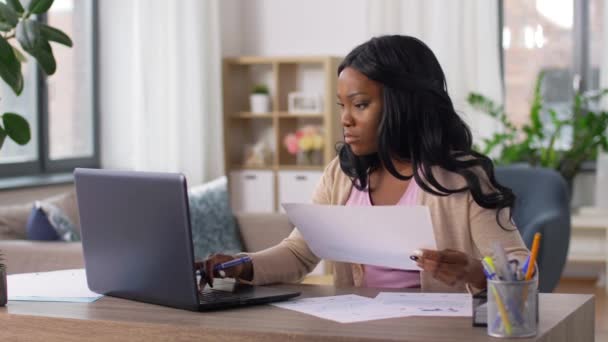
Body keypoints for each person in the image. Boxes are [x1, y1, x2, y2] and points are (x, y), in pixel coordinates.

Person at [198, 35, 530, 292]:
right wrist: (242, 265)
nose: (345, 120)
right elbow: (300, 252)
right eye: (342, 105)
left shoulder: (461, 178)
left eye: (360, 105)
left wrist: (473, 271)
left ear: (404, 105)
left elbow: (521, 268)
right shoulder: (341, 173)